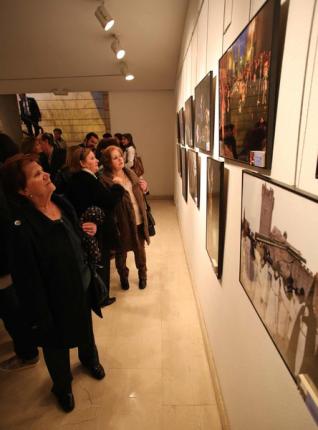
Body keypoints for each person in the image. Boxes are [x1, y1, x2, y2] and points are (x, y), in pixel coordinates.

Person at [1, 153, 105, 412]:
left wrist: (86, 229)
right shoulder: (21, 228)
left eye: (42, 170)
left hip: (80, 285)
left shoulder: (61, 202)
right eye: (37, 175)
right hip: (52, 300)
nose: (46, 174)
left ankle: (89, 359)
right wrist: (40, 316)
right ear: (23, 191)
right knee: (56, 346)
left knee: (86, 328)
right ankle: (62, 386)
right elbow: (27, 280)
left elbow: (73, 238)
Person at [65, 147, 125, 305]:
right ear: (82, 163)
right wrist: (118, 185)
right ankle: (101, 297)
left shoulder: (76, 179)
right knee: (100, 262)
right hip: (95, 230)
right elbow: (109, 201)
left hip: (87, 228)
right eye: (92, 158)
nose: (96, 160)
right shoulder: (88, 180)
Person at [0, 134, 39, 371]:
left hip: (7, 261)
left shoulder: (8, 181)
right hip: (15, 258)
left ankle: (27, 352)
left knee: (12, 310)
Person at [100, 145, 150, 290]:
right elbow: (107, 203)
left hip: (138, 219)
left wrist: (145, 188)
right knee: (121, 253)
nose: (120, 159)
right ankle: (123, 276)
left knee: (140, 250)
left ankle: (143, 275)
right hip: (120, 223)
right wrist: (117, 187)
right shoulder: (105, 180)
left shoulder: (131, 173)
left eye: (120, 156)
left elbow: (141, 195)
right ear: (108, 162)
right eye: (115, 158)